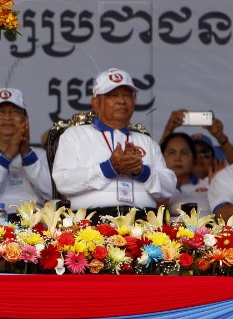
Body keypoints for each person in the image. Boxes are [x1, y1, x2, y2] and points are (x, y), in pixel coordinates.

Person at [52, 68, 176, 219]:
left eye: (127, 95)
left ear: (134, 101)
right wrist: (108, 168)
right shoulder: (75, 135)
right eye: (113, 95)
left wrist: (141, 171)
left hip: (143, 224)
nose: (121, 101)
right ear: (96, 103)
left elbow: (169, 187)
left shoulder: (147, 142)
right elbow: (63, 182)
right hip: (92, 225)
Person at [0, 88, 51, 216]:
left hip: (34, 226)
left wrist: (27, 154)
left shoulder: (40, 155)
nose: (7, 117)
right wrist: (7, 155)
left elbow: (53, 193)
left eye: (15, 112)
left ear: (25, 119)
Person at [160, 132, 211, 215]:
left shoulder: (209, 185)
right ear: (161, 158)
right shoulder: (154, 187)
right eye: (171, 153)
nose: (177, 158)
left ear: (194, 159)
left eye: (184, 153)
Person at [160, 109, 233, 162]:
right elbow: (155, 164)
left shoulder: (222, 180)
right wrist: (168, 130)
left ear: (213, 159)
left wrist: (221, 138)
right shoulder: (171, 181)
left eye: (205, 153)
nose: (198, 157)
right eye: (193, 152)